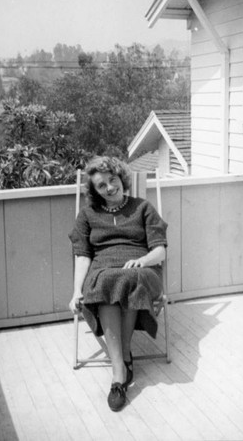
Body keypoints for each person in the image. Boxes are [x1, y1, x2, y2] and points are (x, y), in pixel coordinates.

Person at [68, 156, 167, 412]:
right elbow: (83, 255)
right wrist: (76, 291)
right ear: (95, 191)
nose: (110, 187)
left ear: (121, 178)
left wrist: (143, 260)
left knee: (124, 278)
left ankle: (120, 365)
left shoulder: (143, 207)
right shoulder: (88, 215)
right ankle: (120, 368)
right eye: (101, 185)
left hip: (142, 271)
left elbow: (160, 252)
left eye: (112, 180)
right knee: (106, 281)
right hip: (103, 271)